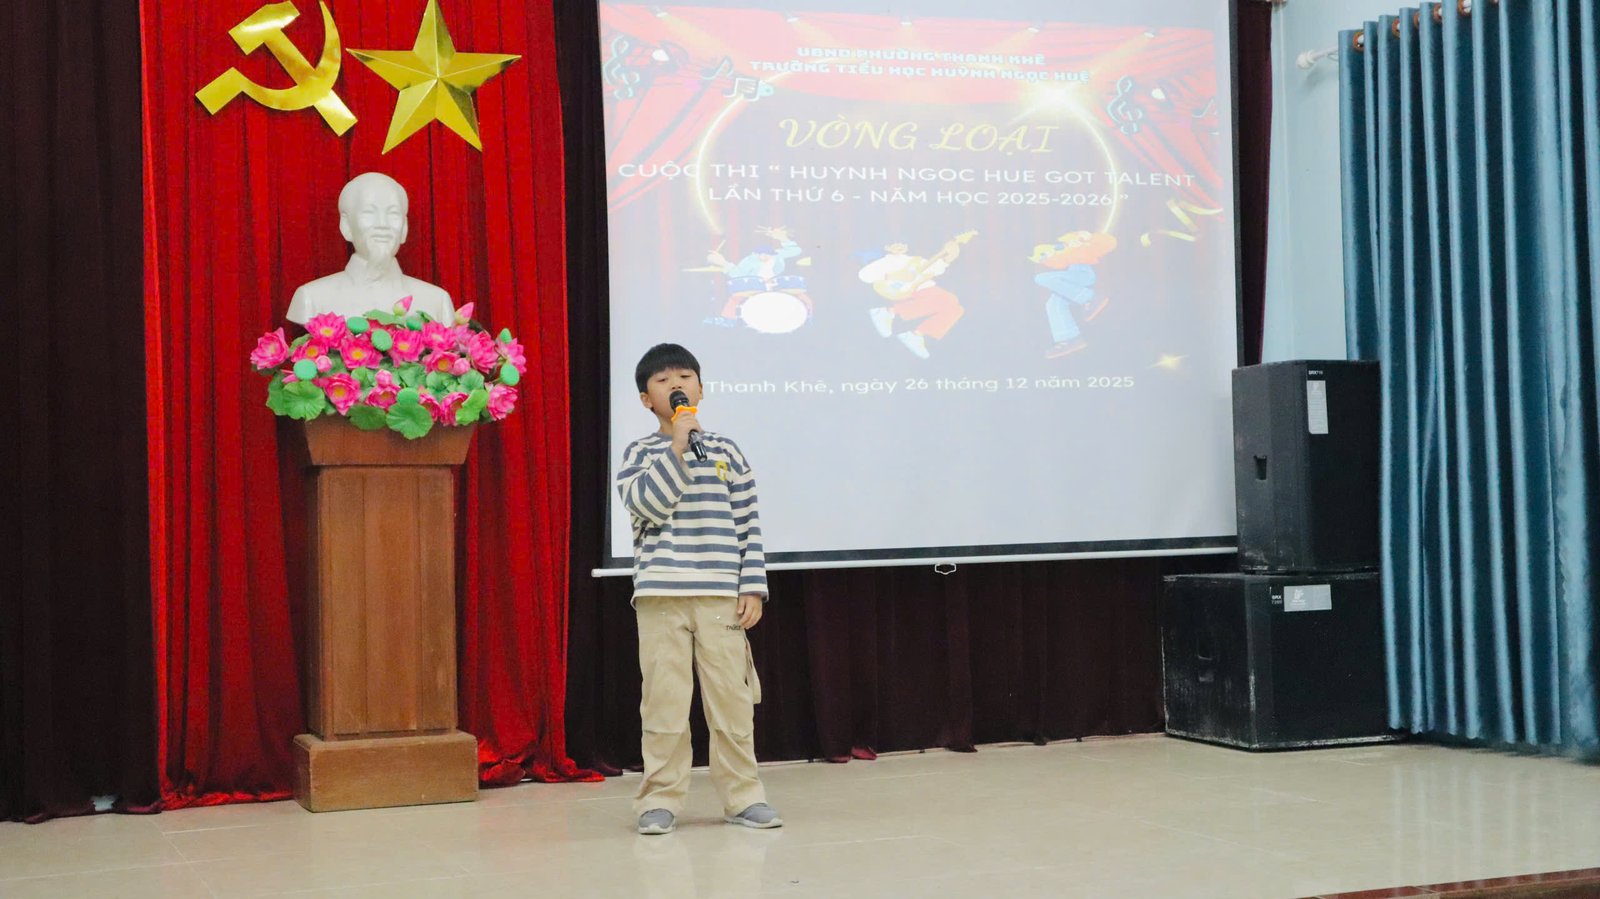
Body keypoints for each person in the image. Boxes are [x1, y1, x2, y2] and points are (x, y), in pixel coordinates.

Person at [616, 343, 781, 835]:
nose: (676, 385)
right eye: (663, 380)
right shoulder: (640, 454)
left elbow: (748, 523)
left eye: (685, 377)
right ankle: (659, 800)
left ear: (701, 390)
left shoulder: (727, 451)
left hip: (719, 595)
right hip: (661, 596)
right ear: (646, 399)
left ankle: (744, 797)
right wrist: (676, 449)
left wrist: (752, 586)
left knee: (731, 702)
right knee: (664, 703)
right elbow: (647, 506)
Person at [285, 172, 454, 326]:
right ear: (346, 225)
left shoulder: (437, 301)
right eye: (369, 213)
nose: (382, 224)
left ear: (404, 228)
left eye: (393, 213)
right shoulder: (312, 299)